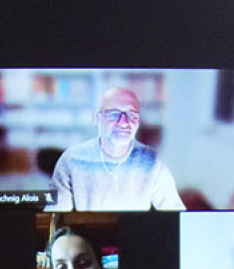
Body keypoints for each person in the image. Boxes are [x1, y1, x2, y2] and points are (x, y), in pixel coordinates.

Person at [48, 86, 184, 212]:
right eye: (114, 114)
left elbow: (175, 213)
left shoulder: (152, 162)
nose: (124, 122)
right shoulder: (72, 160)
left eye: (132, 115)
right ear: (97, 118)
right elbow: (54, 215)